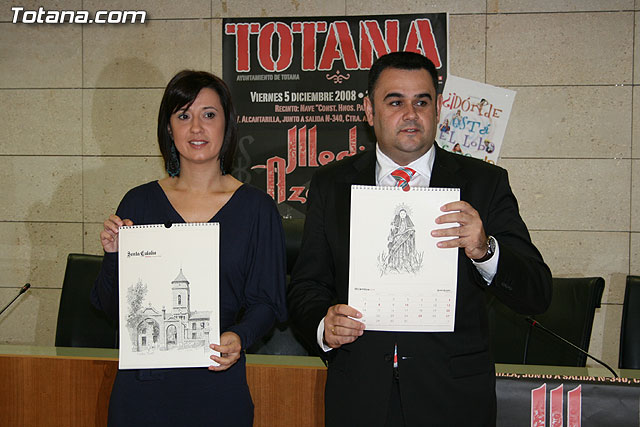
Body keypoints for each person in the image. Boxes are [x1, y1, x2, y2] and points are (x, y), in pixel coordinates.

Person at [287, 52, 552, 426]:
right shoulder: (332, 184)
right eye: (395, 102)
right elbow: (307, 286)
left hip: (453, 399)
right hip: (360, 395)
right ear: (369, 110)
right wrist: (323, 326)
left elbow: (537, 293)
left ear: (438, 109)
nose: (410, 114)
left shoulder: (484, 183)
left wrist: (485, 249)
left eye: (422, 102)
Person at [91, 70, 287, 426]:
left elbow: (268, 302)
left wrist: (239, 336)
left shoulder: (257, 209)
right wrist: (114, 255)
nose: (196, 128)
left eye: (209, 115)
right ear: (169, 128)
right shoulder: (138, 202)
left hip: (217, 385)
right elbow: (110, 307)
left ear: (227, 125)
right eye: (183, 115)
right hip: (142, 393)